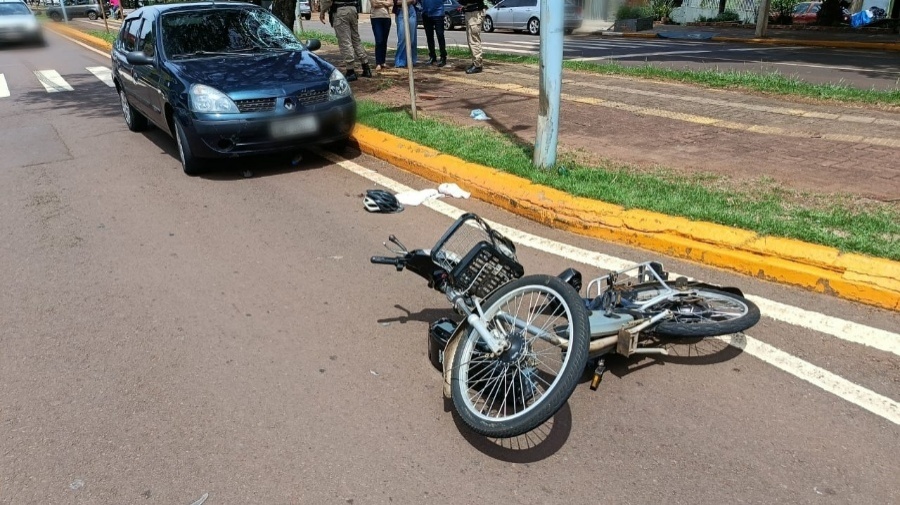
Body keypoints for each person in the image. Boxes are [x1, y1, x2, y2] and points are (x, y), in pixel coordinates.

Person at [319, 0, 371, 81]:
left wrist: (322, 11)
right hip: (353, 9)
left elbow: (327, 1)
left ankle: (350, 71)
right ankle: (366, 67)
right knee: (356, 40)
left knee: (345, 42)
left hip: (341, 11)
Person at [457, 0, 486, 74]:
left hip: (474, 14)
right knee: (471, 40)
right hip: (471, 13)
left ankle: (477, 65)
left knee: (474, 40)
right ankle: (475, 62)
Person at [392, 0, 418, 68]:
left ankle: (411, 60)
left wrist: (408, 1)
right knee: (402, 38)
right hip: (401, 11)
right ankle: (400, 61)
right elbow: (396, 2)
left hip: (411, 10)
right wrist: (409, 1)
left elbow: (415, 1)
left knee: (412, 39)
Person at [420, 0, 446, 67]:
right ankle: (432, 56)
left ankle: (443, 57)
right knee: (429, 36)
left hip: (438, 13)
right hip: (426, 13)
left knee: (440, 35)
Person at [370, 0, 392, 72]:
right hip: (376, 18)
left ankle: (383, 62)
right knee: (379, 40)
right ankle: (378, 63)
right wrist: (384, 3)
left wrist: (380, 2)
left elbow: (390, 3)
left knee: (384, 41)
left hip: (386, 17)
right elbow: (374, 4)